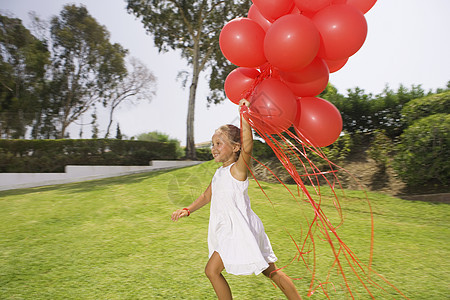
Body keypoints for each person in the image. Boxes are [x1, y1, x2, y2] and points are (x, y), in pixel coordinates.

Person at [171, 99, 301, 300]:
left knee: (212, 271)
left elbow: (248, 148)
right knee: (270, 271)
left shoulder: (237, 171)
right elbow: (207, 195)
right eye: (213, 144)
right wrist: (188, 209)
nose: (213, 148)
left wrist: (244, 116)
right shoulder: (219, 173)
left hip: (238, 230)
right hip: (232, 229)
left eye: (218, 143)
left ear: (235, 147)